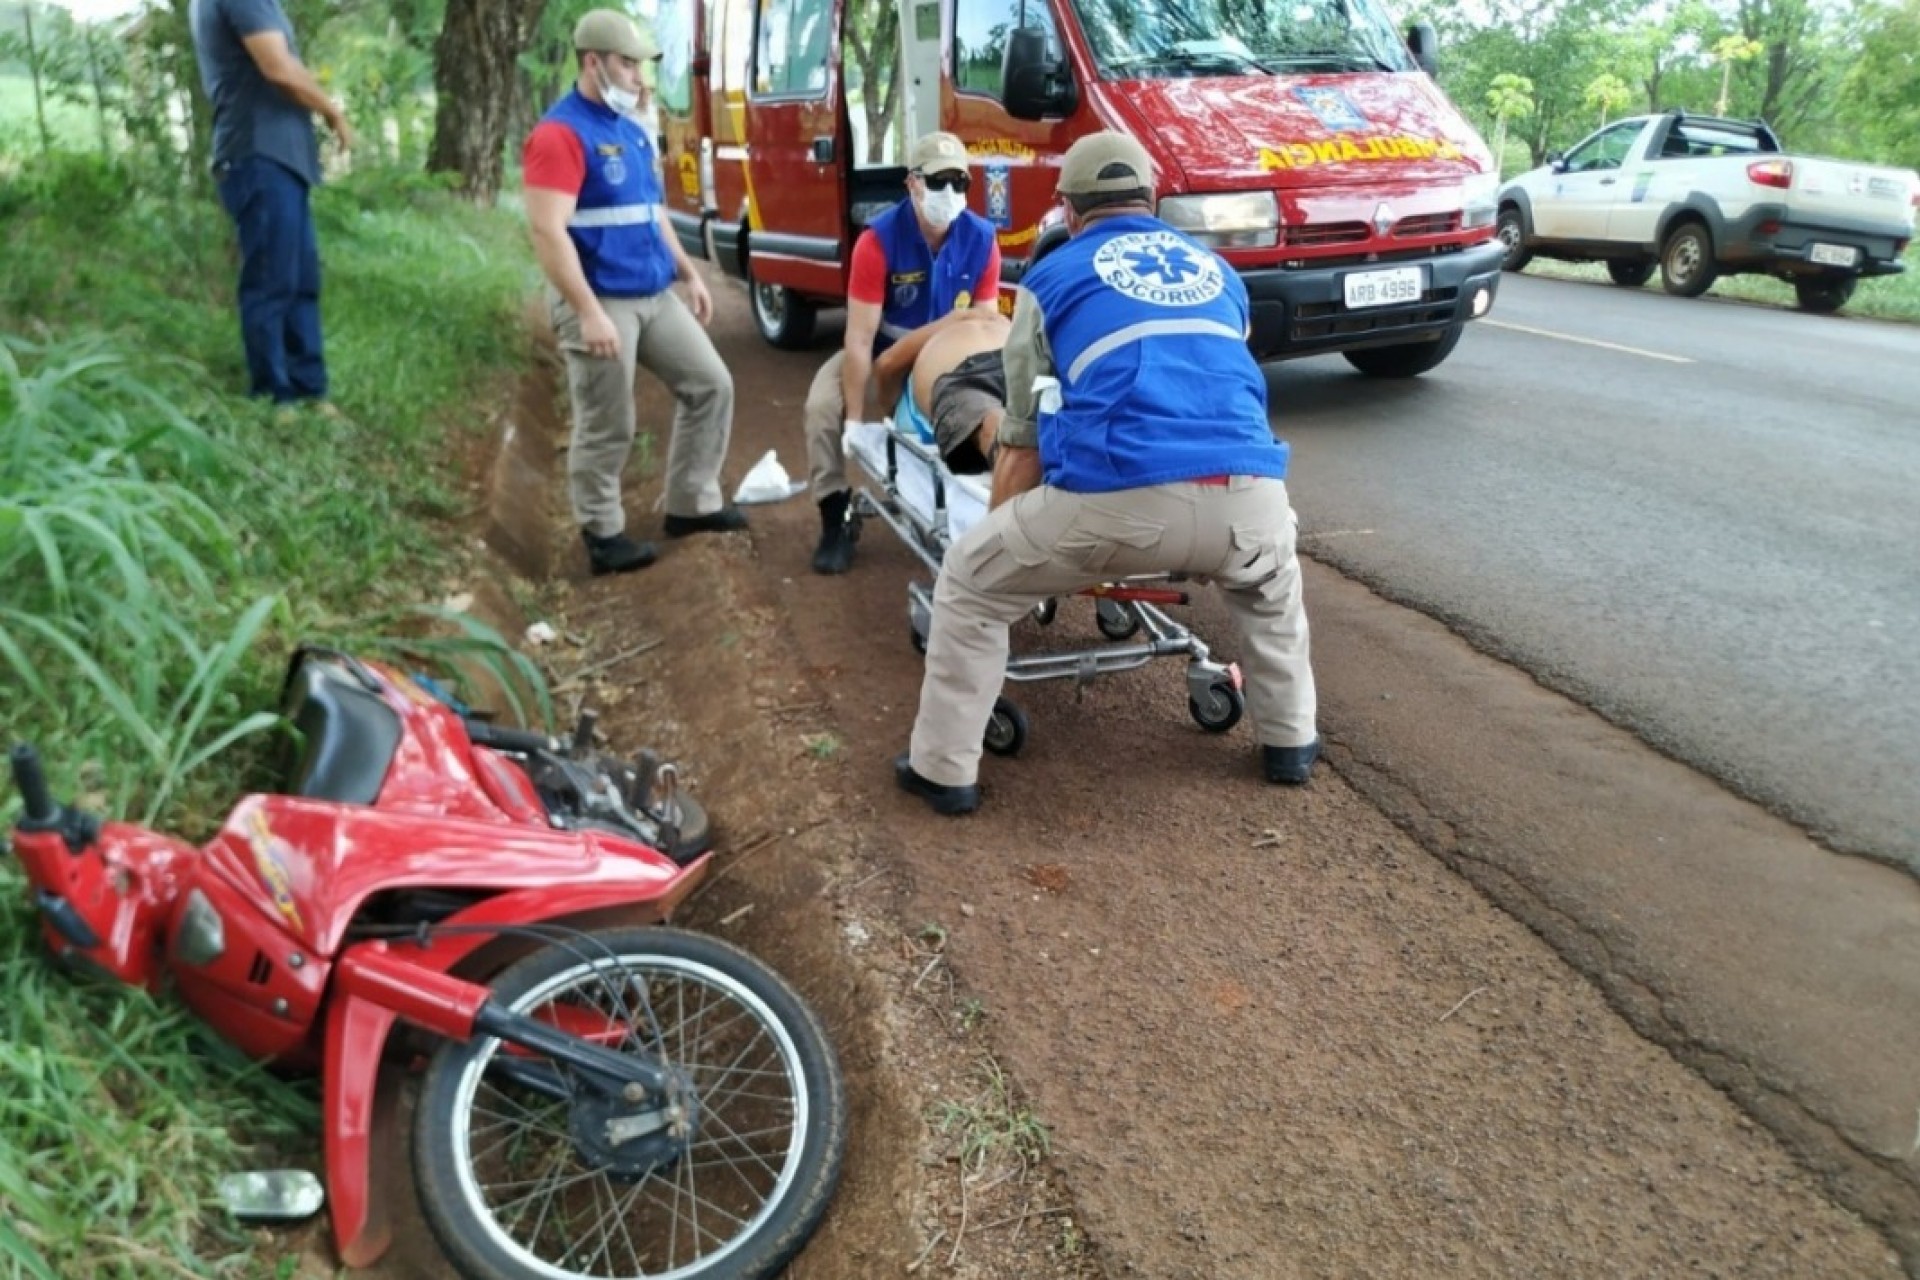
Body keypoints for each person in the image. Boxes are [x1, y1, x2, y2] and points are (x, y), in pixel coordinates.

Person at [895, 132, 1320, 817]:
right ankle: (1291, 743)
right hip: (1250, 495)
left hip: (1122, 497)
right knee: (1273, 588)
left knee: (970, 585)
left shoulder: (1051, 281)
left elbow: (1025, 437)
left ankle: (943, 772)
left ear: (1065, 210)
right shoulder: (1221, 275)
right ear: (1152, 199)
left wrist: (1006, 546)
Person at [523, 10, 745, 577]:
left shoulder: (631, 130)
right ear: (592, 62)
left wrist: (689, 274)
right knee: (608, 420)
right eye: (627, 64)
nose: (638, 78)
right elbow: (548, 230)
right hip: (600, 300)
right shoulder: (559, 134)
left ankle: (690, 505)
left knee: (710, 384)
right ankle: (602, 533)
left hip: (652, 293)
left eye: (642, 66)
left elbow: (652, 215)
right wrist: (587, 312)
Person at [804, 131, 1003, 575]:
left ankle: (983, 511)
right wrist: (855, 418)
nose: (950, 194)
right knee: (822, 409)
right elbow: (858, 339)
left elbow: (984, 328)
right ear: (912, 183)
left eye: (960, 183)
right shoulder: (877, 242)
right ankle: (834, 516)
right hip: (881, 347)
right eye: (938, 182)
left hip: (945, 357)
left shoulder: (982, 238)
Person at [189, 0, 353, 406]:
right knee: (271, 280)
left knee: (300, 278)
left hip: (281, 159)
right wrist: (333, 111)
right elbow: (277, 67)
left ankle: (309, 387)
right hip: (259, 154)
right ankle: (274, 394)